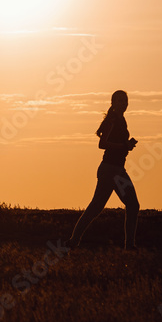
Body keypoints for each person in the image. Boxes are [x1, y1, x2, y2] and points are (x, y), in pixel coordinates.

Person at [68, 90, 141, 249]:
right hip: (109, 170)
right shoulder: (113, 119)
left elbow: (115, 142)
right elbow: (102, 144)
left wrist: (127, 145)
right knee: (97, 207)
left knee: (129, 205)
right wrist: (123, 146)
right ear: (113, 103)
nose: (123, 103)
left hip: (118, 169)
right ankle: (74, 241)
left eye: (125, 100)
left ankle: (129, 246)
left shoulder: (122, 119)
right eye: (120, 100)